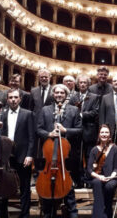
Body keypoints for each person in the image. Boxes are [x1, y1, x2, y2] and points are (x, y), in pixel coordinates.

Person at [36, 84, 82, 218]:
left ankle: (73, 214)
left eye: (62, 93)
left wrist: (65, 130)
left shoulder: (74, 110)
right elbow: (39, 129)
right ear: (53, 94)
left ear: (66, 95)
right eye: (56, 93)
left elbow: (80, 130)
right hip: (50, 155)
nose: (59, 95)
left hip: (66, 157)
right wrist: (49, 134)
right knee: (47, 195)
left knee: (68, 190)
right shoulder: (45, 110)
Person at [0, 89, 35, 218]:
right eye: (10, 97)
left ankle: (25, 214)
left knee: (25, 187)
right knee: (4, 186)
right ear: (7, 99)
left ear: (20, 99)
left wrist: (29, 155)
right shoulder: (2, 115)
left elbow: (32, 137)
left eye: (15, 97)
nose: (13, 99)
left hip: (23, 156)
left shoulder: (28, 114)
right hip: (6, 157)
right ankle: (2, 214)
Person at [69, 74, 100, 187]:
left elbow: (95, 112)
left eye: (85, 83)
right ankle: (78, 180)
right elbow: (70, 111)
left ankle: (89, 179)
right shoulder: (73, 97)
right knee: (75, 156)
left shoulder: (94, 97)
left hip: (89, 130)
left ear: (88, 84)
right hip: (75, 132)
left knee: (89, 156)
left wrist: (81, 115)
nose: (82, 84)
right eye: (80, 82)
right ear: (77, 84)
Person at [87, 125, 117, 218]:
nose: (104, 134)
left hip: (111, 178)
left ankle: (107, 211)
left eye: (106, 132)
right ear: (99, 135)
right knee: (97, 183)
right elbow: (89, 169)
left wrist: (110, 177)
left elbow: (116, 168)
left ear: (110, 135)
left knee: (109, 186)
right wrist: (99, 177)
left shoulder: (115, 149)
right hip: (98, 177)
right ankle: (100, 215)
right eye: (102, 132)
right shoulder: (94, 150)